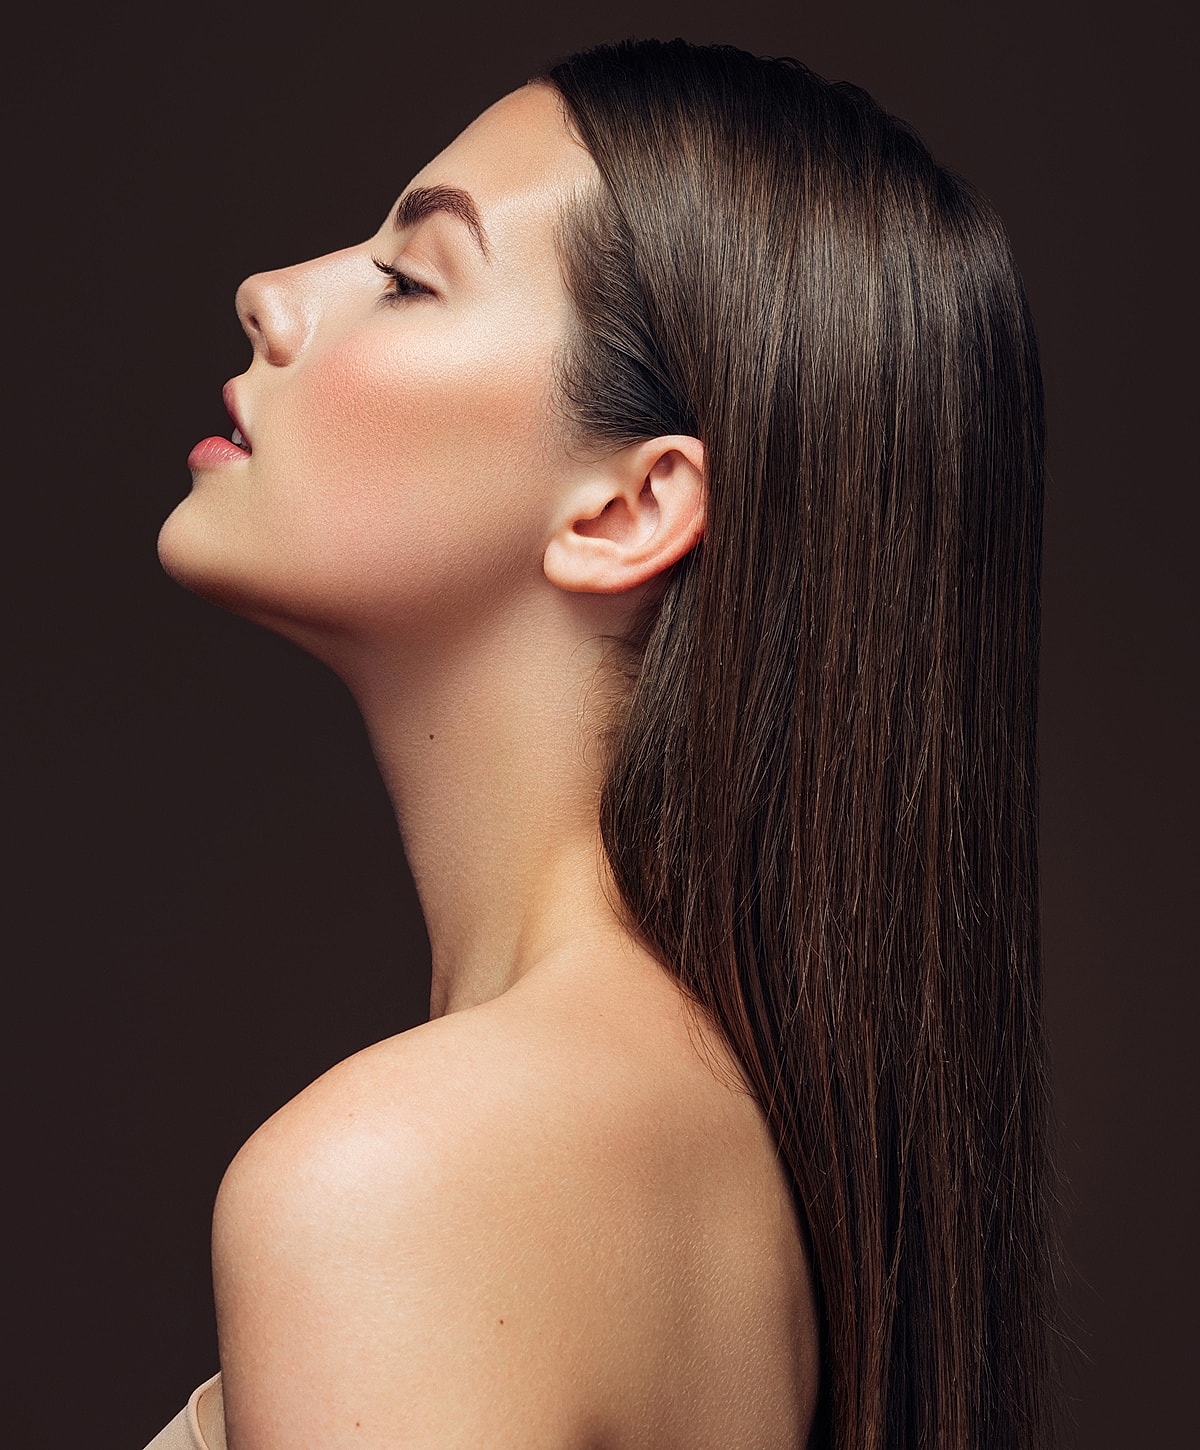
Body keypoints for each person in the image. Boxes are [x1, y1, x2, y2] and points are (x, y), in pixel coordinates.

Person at [147, 38, 1057, 1450]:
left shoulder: (400, 1185)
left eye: (409, 277)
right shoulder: (740, 1170)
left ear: (624, 509)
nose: (269, 297)